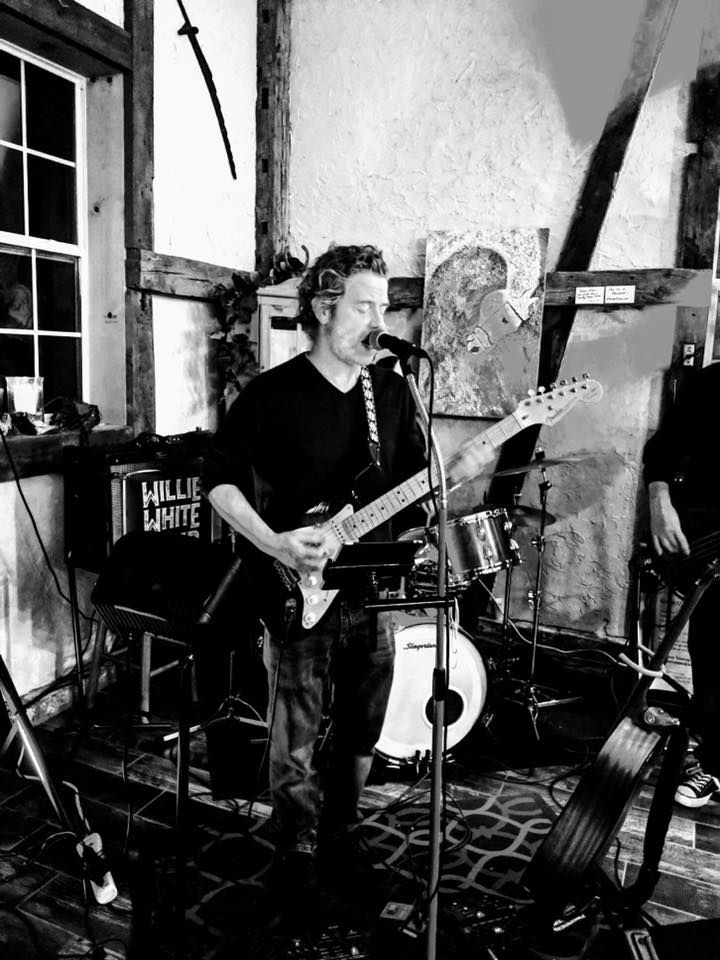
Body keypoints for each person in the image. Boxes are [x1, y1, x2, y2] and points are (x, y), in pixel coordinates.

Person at [202, 244, 427, 912]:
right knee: (295, 734)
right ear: (325, 309)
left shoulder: (391, 392)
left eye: (384, 308)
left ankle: (342, 832)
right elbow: (218, 482)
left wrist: (421, 522)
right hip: (297, 590)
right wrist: (274, 542)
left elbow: (415, 486)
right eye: (364, 307)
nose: (379, 322)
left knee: (362, 728)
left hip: (374, 592)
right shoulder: (271, 395)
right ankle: (295, 847)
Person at [643, 360, 720, 807]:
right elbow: (664, 447)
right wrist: (660, 503)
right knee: (711, 647)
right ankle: (711, 761)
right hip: (706, 539)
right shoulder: (714, 382)